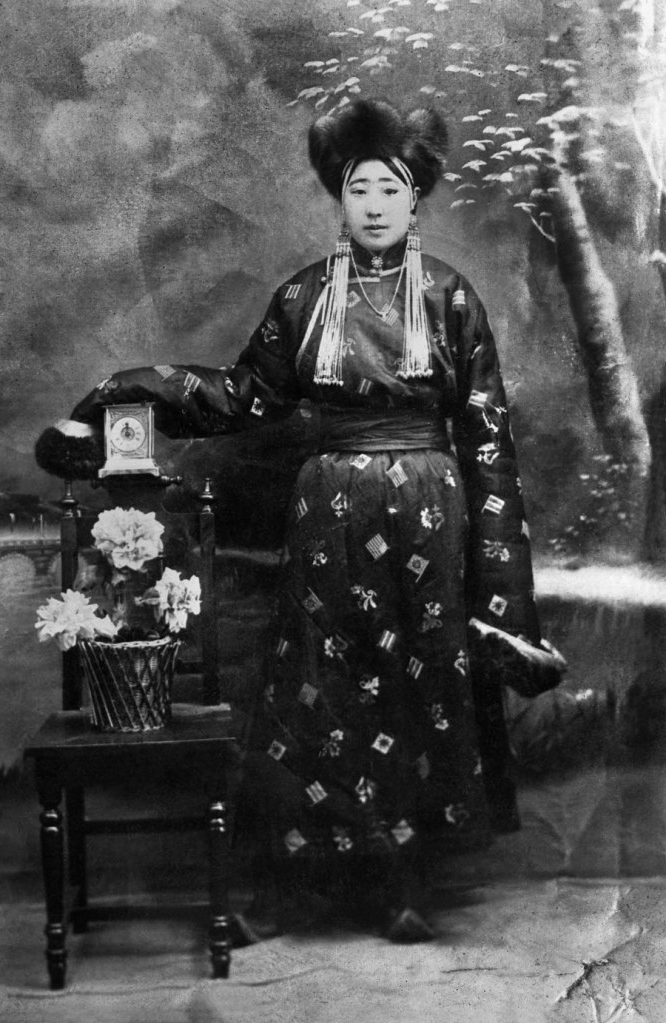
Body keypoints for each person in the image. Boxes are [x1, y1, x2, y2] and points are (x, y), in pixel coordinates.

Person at [36, 98, 561, 944]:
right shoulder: (307, 296)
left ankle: (401, 882)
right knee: (312, 691)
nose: (377, 204)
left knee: (414, 689)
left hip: (431, 519)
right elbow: (241, 397)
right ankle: (288, 889)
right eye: (360, 188)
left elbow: (490, 442)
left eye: (391, 186)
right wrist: (124, 390)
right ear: (340, 198)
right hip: (327, 520)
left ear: (416, 195)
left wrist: (504, 599)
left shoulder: (452, 298)